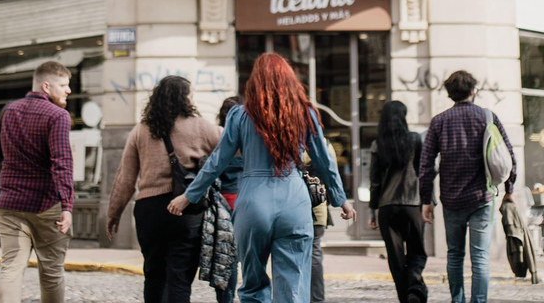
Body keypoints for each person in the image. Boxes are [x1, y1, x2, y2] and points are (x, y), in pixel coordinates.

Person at [167, 53, 357, 303]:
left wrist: (188, 196)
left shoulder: (239, 115)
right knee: (293, 287)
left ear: (255, 81)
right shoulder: (304, 113)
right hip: (294, 203)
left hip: (253, 203)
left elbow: (217, 161)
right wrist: (340, 199)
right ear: (289, 80)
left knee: (254, 284)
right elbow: (324, 160)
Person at [106, 76, 221, 302]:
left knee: (153, 273)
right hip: (186, 208)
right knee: (180, 275)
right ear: (185, 98)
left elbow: (125, 179)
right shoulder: (200, 127)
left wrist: (114, 213)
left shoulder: (140, 130)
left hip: (149, 210)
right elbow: (233, 149)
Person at [419, 70, 516, 303]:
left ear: (450, 94)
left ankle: (457, 300)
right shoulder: (487, 117)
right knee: (480, 256)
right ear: (473, 91)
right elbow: (508, 155)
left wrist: (426, 200)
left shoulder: (439, 121)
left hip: (451, 199)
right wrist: (509, 190)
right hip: (482, 197)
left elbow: (426, 164)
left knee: (454, 255)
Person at [0, 61, 74, 303]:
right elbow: (62, 162)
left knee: (10, 269)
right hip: (46, 205)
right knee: (51, 272)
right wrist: (67, 206)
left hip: (9, 203)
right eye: (63, 85)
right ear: (46, 86)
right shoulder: (58, 115)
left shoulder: (7, 111)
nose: (68, 90)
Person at [369, 101, 427, 303]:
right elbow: (423, 172)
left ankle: (406, 298)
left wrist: (372, 210)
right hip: (412, 204)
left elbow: (375, 181)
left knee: (395, 259)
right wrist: (428, 201)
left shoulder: (378, 144)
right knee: (417, 251)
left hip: (387, 206)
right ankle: (415, 288)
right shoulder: (415, 140)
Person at [215, 95, 244, 303]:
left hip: (223, 204)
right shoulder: (250, 138)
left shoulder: (219, 137)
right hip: (246, 201)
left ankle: (225, 299)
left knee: (226, 258)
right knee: (245, 256)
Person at [302, 137, 338, 303]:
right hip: (317, 206)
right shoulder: (325, 144)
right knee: (314, 255)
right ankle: (316, 299)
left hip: (306, 206)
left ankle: (310, 298)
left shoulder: (292, 139)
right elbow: (332, 174)